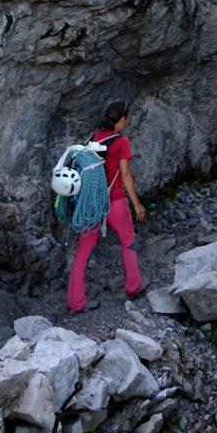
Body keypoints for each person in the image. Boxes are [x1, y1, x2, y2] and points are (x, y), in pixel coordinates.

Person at [66, 100, 147, 313]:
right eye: (126, 118)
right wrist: (137, 204)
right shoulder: (121, 142)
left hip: (92, 203)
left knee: (83, 252)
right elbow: (126, 175)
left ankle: (76, 302)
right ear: (122, 120)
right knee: (128, 241)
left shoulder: (93, 138)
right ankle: (133, 287)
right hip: (115, 202)